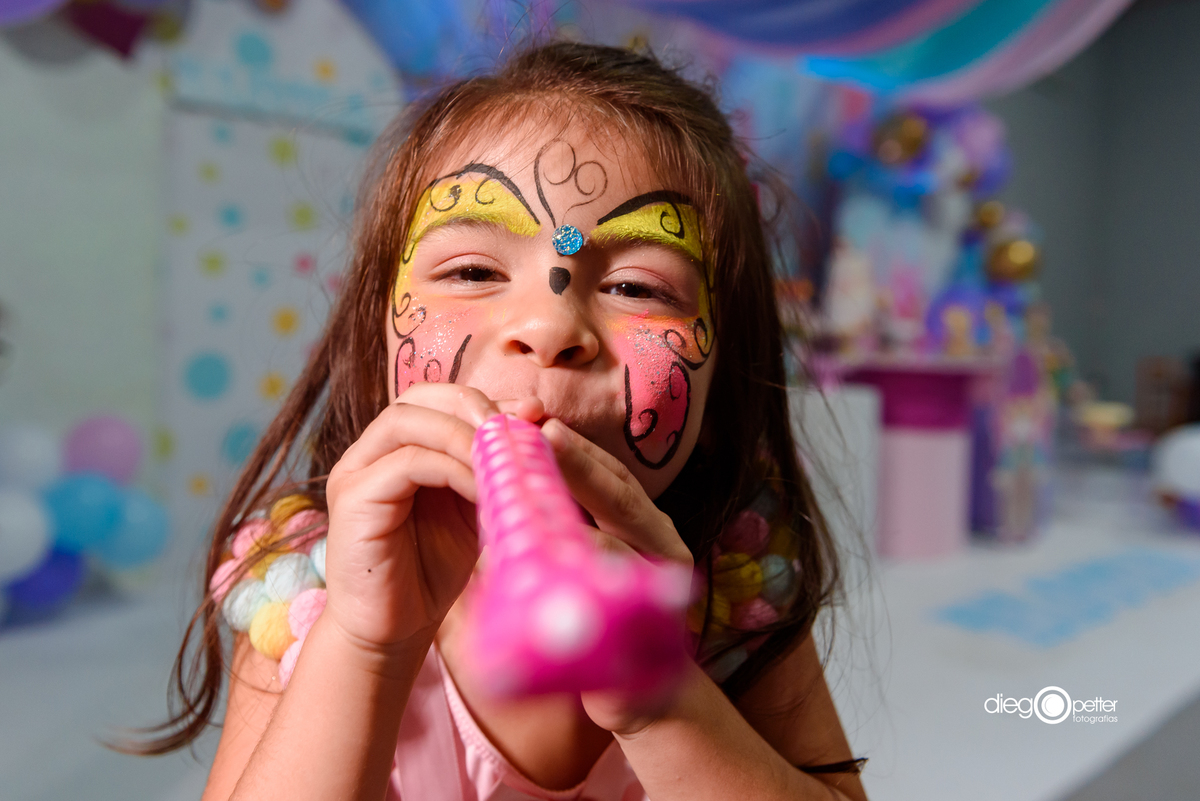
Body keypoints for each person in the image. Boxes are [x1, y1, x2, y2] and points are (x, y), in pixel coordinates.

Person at [139, 41, 868, 801]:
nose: (550, 326)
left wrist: (661, 701)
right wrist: (363, 642)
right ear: (376, 340)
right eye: (474, 271)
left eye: (636, 286)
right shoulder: (316, 586)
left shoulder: (735, 582)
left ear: (722, 396)